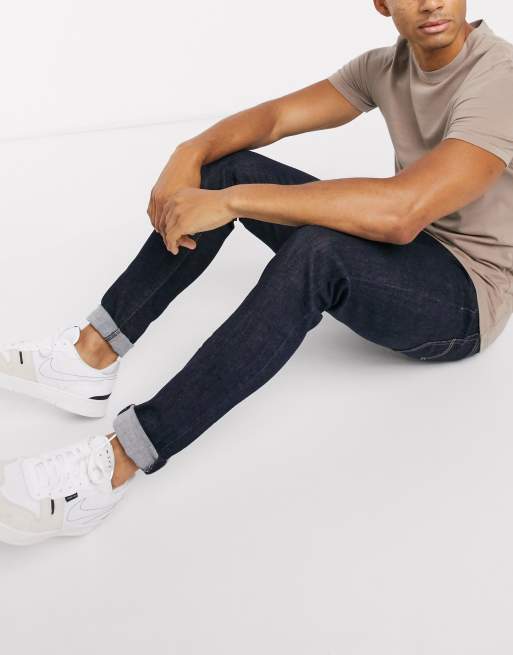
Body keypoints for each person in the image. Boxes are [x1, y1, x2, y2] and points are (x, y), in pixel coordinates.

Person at [1, 0, 512, 546]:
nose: (431, 2)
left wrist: (233, 203)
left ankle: (117, 463)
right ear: (382, 4)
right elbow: (273, 120)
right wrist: (190, 152)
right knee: (225, 169)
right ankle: (90, 355)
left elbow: (401, 213)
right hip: (408, 254)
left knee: (316, 251)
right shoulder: (385, 66)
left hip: (465, 298)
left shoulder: (500, 78)